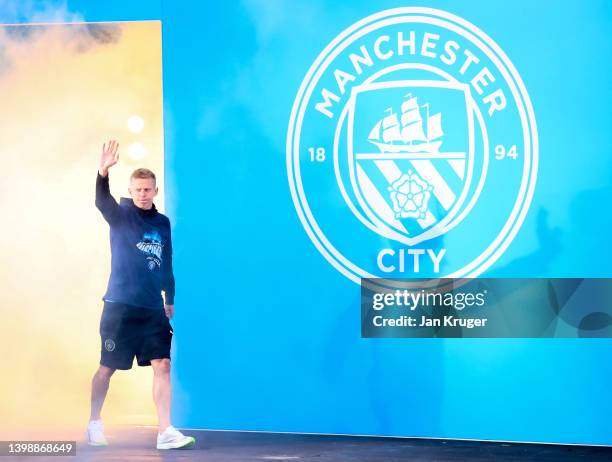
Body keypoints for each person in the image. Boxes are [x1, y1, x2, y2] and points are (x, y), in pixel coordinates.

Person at [86, 140, 195, 450]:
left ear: (155, 191)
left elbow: (166, 261)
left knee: (162, 364)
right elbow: (100, 200)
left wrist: (169, 298)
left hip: (152, 308)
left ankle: (165, 431)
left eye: (148, 189)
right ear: (131, 192)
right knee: (107, 368)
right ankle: (95, 421)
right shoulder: (120, 214)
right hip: (119, 306)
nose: (143, 194)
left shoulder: (162, 224)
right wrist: (103, 172)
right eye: (138, 190)